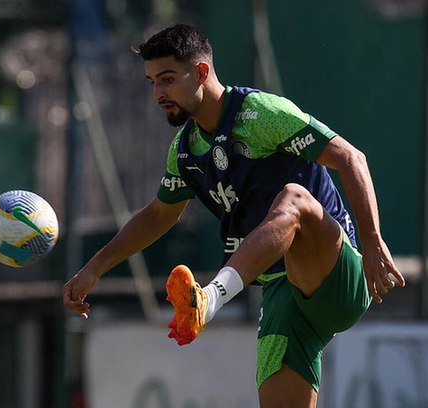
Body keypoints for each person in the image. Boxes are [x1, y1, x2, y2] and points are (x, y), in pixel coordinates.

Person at [62, 23, 405, 407]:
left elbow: (350, 157)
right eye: (152, 82)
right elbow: (158, 214)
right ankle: (210, 300)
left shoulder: (261, 114)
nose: (158, 93)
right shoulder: (186, 150)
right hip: (280, 295)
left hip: (336, 276)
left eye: (168, 79)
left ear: (203, 72)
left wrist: (374, 243)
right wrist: (95, 267)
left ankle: (209, 299)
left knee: (295, 198)